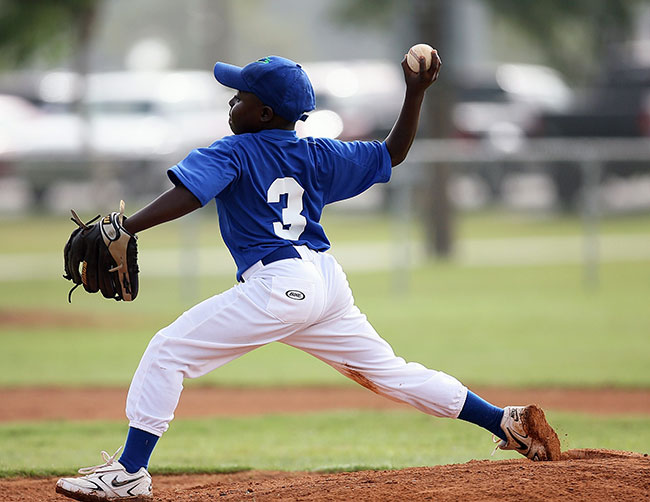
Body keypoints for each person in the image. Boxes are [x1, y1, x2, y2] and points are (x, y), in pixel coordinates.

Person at [56, 51, 560, 501]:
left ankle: (128, 472)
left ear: (265, 113)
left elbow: (192, 194)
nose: (231, 103)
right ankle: (505, 421)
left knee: (168, 351)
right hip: (325, 282)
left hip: (279, 285)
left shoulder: (234, 151)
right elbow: (393, 153)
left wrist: (127, 224)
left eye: (241, 97)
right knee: (389, 372)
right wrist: (415, 92)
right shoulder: (318, 152)